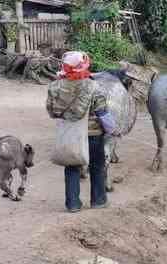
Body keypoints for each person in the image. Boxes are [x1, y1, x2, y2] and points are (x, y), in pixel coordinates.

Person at [55, 51, 118, 213]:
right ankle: (98, 200)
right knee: (97, 166)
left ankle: (73, 204)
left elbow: (52, 111)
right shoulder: (94, 86)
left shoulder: (56, 86)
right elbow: (102, 112)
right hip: (93, 134)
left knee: (72, 166)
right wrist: (112, 129)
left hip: (69, 134)